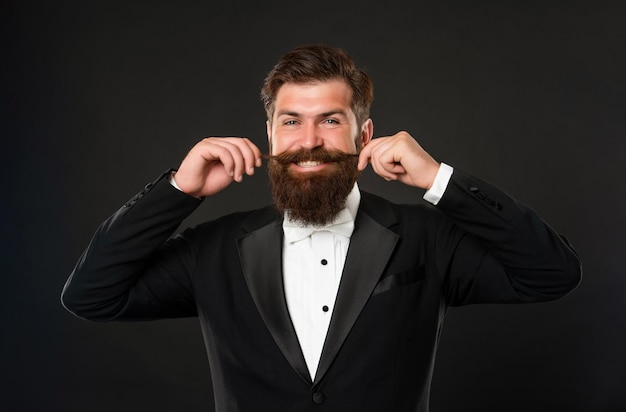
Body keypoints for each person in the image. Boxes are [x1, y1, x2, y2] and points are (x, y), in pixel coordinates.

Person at [61, 44, 581, 411]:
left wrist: (438, 179)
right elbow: (92, 296)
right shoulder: (215, 248)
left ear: (365, 134)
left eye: (330, 120)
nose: (309, 140)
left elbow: (551, 274)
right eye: (291, 121)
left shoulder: (427, 238)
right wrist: (180, 190)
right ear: (270, 132)